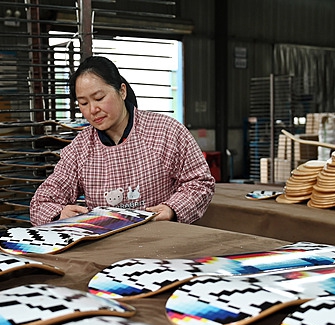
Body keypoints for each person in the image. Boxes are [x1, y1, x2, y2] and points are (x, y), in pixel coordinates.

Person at [29, 55, 215, 225]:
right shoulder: (80, 149)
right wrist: (60, 214)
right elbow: (41, 202)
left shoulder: (166, 131)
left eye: (99, 98)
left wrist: (172, 209)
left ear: (122, 91)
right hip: (106, 245)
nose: (93, 109)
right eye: (84, 103)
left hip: (163, 239)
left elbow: (200, 182)